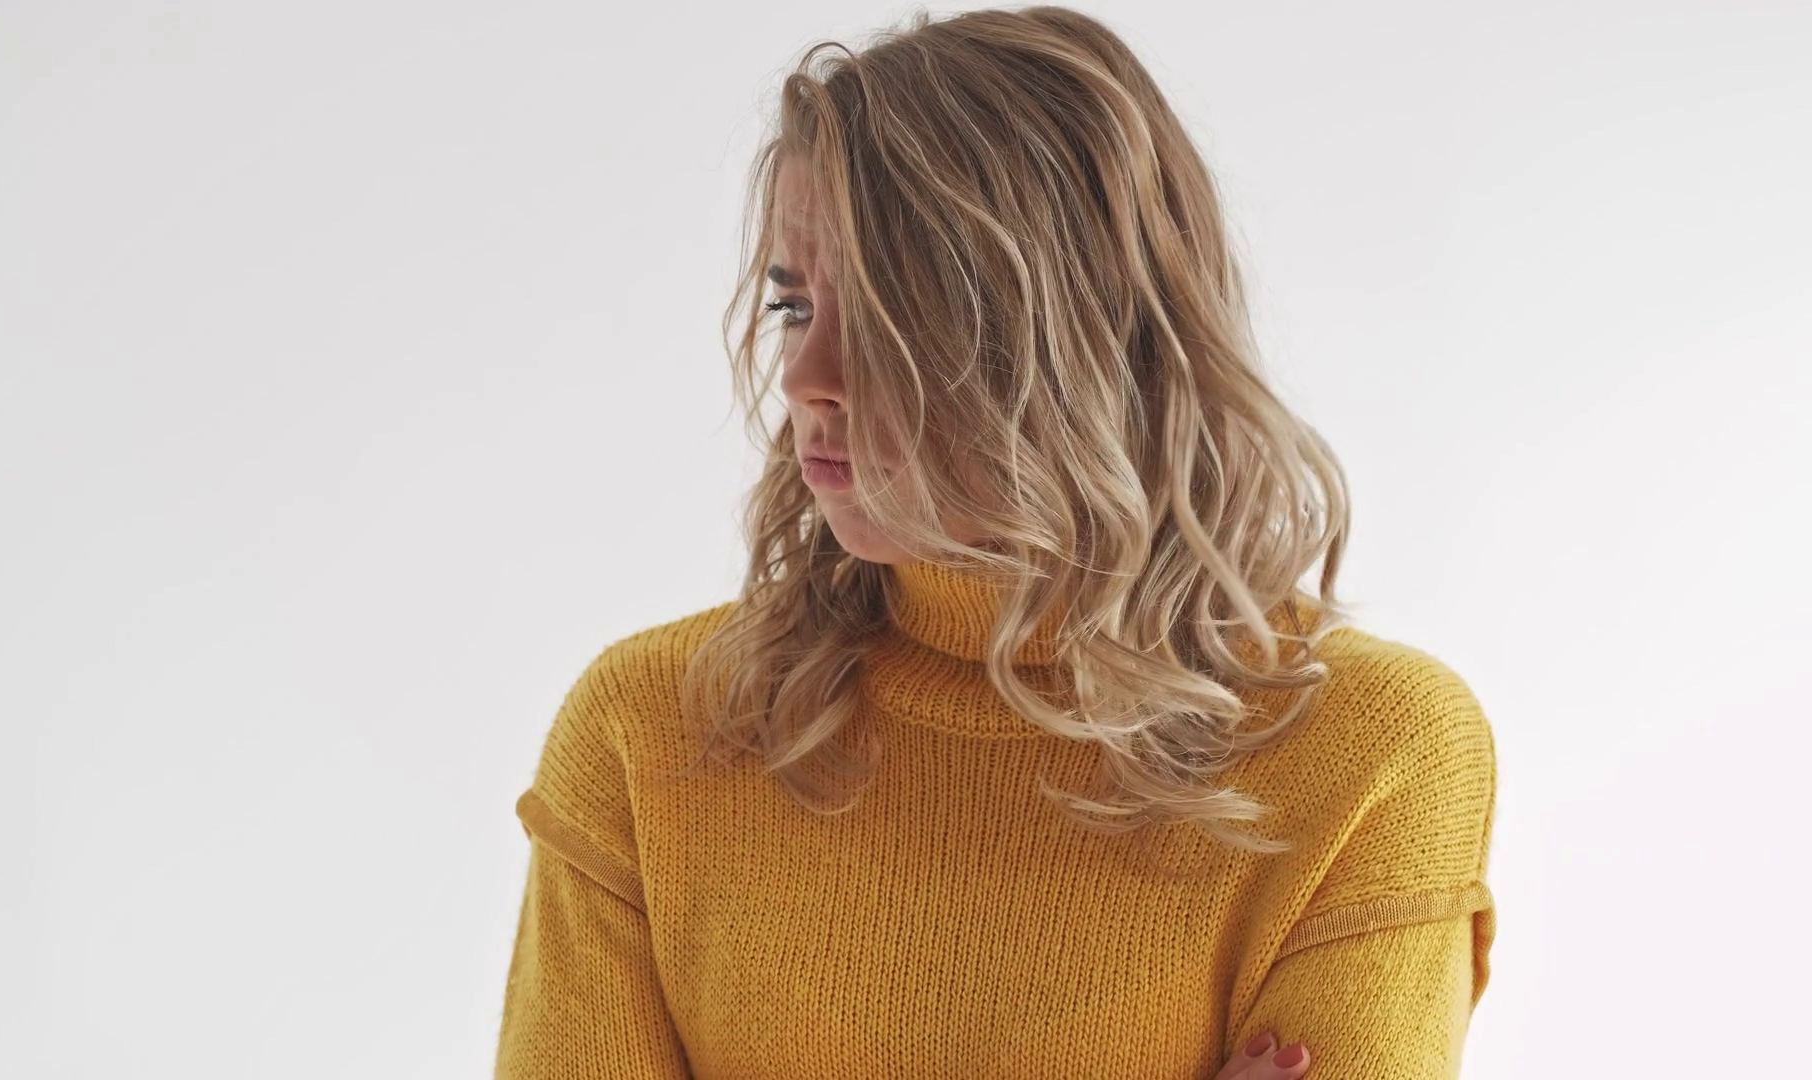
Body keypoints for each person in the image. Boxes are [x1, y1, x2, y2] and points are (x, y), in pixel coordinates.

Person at [495, 6, 1497, 1079]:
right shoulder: (655, 733)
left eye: (888, 313)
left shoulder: (1369, 754)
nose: (806, 378)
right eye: (795, 305)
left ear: (1072, 334)